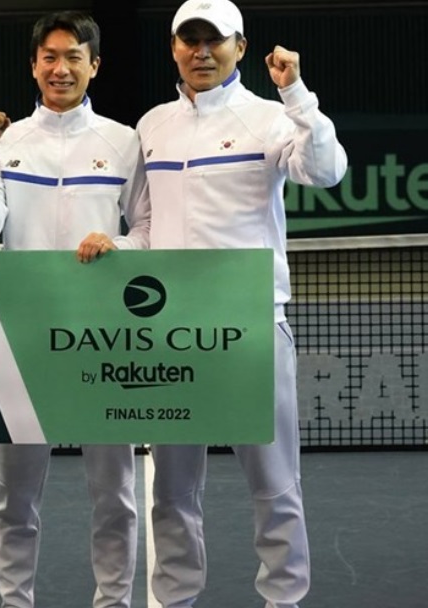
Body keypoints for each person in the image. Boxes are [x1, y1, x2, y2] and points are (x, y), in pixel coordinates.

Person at [136, 1, 347, 606]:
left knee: (275, 486)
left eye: (215, 40)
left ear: (241, 47)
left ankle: (284, 599)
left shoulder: (272, 118)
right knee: (171, 492)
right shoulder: (151, 126)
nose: (202, 52)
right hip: (170, 335)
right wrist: (115, 245)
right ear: (174, 47)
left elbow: (326, 171)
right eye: (190, 40)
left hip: (251, 329)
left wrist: (296, 93)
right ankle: (174, 599)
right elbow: (147, 226)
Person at [0, 11, 148, 608]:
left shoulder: (124, 141)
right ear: (33, 65)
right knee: (14, 500)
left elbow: (149, 227)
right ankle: (16, 602)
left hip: (106, 342)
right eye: (50, 57)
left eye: (73, 57)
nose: (60, 68)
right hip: (23, 343)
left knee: (115, 496)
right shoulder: (6, 141)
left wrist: (117, 244)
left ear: (95, 65)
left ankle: (114, 601)